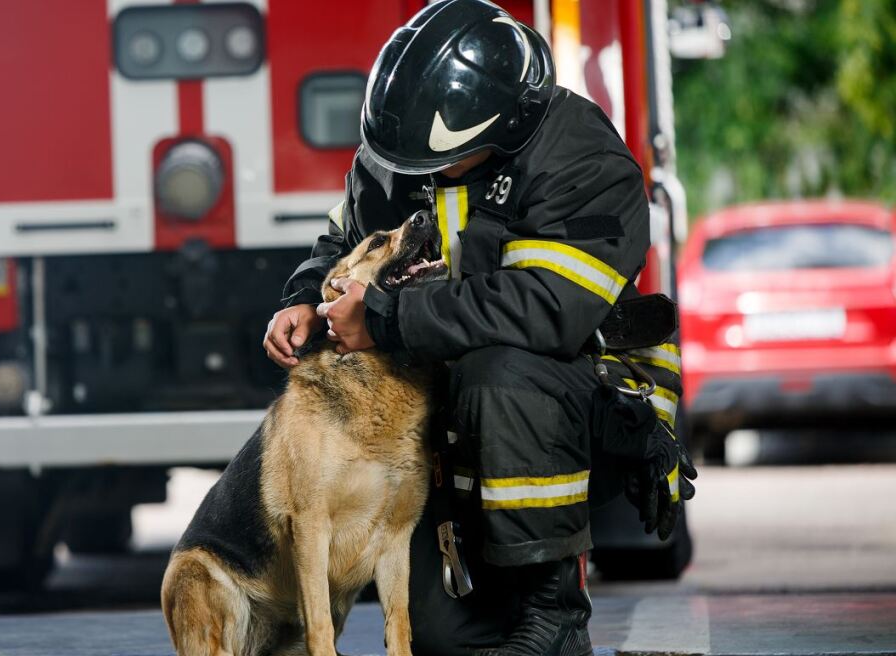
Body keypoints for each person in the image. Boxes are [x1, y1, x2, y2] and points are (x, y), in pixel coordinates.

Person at [263, 1, 694, 654]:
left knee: (504, 374)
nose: (424, 176)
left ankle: (553, 617)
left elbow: (545, 310)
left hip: (583, 397)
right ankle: (502, 608)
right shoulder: (405, 151)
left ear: (504, 123)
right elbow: (346, 238)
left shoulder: (576, 155)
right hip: (455, 403)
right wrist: (304, 298)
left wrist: (384, 319)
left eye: (444, 160)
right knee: (444, 640)